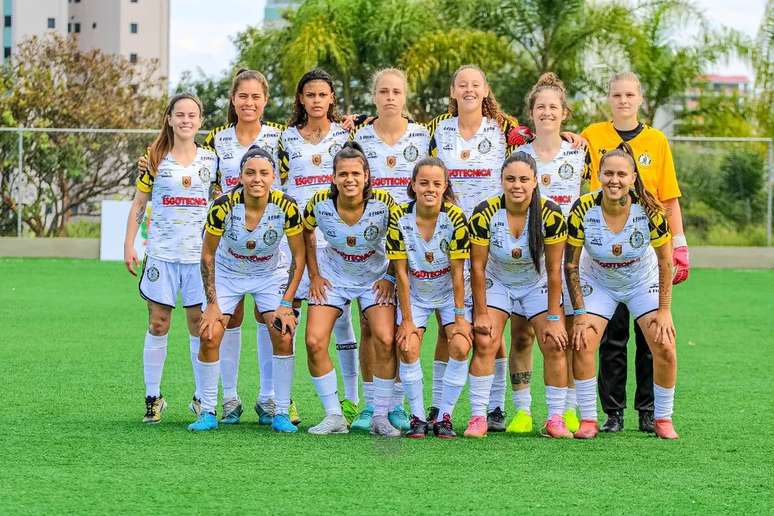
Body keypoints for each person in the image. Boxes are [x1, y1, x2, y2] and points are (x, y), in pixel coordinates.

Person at [137, 69, 290, 426]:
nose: (249, 102)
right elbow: (198, 173)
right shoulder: (216, 140)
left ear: (265, 100)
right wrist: (151, 159)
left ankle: (270, 399)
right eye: (243, 96)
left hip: (270, 246)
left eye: (256, 96)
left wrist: (355, 121)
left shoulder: (281, 136)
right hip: (227, 247)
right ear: (233, 100)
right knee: (227, 318)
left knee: (270, 320)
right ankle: (229, 399)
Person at [581, 72, 688, 433]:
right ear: (608, 98)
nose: (623, 100)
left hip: (645, 247)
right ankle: (611, 412)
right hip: (602, 251)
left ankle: (649, 410)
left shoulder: (656, 140)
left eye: (629, 94)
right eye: (617, 95)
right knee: (611, 338)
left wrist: (680, 243)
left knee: (650, 338)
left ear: (639, 98)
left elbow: (669, 197)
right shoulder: (592, 135)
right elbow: (563, 158)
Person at [564, 143, 679, 440]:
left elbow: (666, 262)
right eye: (608, 174)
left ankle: (663, 418)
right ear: (599, 175)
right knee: (583, 342)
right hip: (599, 281)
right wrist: (579, 314)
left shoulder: (650, 209)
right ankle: (589, 419)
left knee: (665, 345)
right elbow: (571, 265)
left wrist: (664, 310)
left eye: (621, 174)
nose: (614, 180)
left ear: (633, 178)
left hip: (641, 281)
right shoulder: (582, 208)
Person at [190, 146, 306, 432]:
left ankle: (279, 410)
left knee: (283, 333)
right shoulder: (222, 206)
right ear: (240, 176)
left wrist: (286, 303)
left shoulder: (287, 207)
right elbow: (207, 255)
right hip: (228, 273)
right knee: (209, 334)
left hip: (269, 274)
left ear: (274, 177)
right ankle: (208, 410)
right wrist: (212, 303)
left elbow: (299, 256)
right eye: (250, 173)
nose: (257, 179)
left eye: (264, 173)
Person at [123, 93, 217, 424]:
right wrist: (129, 244)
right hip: (162, 255)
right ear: (170, 119)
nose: (186, 120)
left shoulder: (211, 160)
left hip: (197, 257)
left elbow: (222, 199)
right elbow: (139, 203)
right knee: (158, 323)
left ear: (200, 120)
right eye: (180, 115)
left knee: (198, 325)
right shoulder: (154, 158)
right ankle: (153, 397)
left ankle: (201, 397)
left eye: (192, 115)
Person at [466, 152, 572, 438]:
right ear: (501, 180)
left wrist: (554, 318)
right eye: (510, 179)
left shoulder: (551, 214)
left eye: (524, 179)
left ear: (535, 181)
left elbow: (554, 270)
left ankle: (555, 419)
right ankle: (478, 417)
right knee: (485, 340)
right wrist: (481, 313)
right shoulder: (484, 212)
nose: (517, 185)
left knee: (554, 343)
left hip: (536, 283)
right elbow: (477, 267)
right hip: (498, 281)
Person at [507, 73, 590, 434]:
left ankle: (568, 409)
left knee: (564, 335)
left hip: (568, 258)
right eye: (540, 107)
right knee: (522, 335)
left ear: (564, 113)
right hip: (527, 257)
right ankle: (522, 411)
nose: (547, 112)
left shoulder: (580, 151)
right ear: (532, 112)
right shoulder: (518, 155)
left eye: (553, 107)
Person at [278, 69, 361, 424]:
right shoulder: (284, 139)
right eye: (310, 94)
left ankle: (352, 399)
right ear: (301, 99)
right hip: (296, 240)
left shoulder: (346, 135)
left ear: (331, 99)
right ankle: (284, 400)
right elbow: (274, 182)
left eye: (322, 95)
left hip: (336, 239)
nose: (316, 100)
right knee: (288, 315)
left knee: (342, 319)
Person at [351, 68, 431, 432]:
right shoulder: (359, 137)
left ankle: (396, 404)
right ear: (374, 96)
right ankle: (372, 404)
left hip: (413, 243)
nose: (390, 98)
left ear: (405, 96)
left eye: (396, 92)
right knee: (371, 325)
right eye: (383, 91)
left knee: (401, 326)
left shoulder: (423, 135)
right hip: (372, 245)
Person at [301, 142, 400, 437]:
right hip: (333, 278)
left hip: (374, 278)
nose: (349, 179)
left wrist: (390, 276)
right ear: (333, 177)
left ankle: (380, 414)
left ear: (367, 176)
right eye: (343, 174)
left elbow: (401, 239)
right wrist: (315, 275)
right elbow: (305, 231)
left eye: (356, 173)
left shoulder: (384, 203)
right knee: (314, 341)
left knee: (385, 338)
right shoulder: (319, 203)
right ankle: (334, 415)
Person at [386, 157, 471, 438]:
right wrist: (407, 320)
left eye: (436, 183)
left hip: (448, 294)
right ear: (413, 185)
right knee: (408, 346)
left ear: (445, 186)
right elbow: (400, 272)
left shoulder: (455, 217)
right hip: (416, 295)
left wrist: (460, 318)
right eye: (423, 183)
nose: (430, 189)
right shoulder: (399, 216)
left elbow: (458, 272)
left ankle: (445, 417)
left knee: (460, 345)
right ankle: (418, 418)